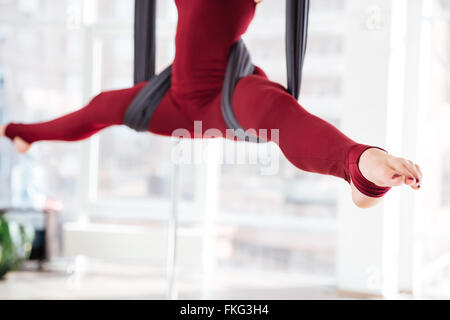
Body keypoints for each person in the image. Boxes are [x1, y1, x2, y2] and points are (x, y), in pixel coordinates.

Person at [0, 0, 422, 208]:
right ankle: (22, 134)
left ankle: (360, 168)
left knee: (280, 115)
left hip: (227, 96)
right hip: (173, 98)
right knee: (102, 107)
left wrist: (360, 159)